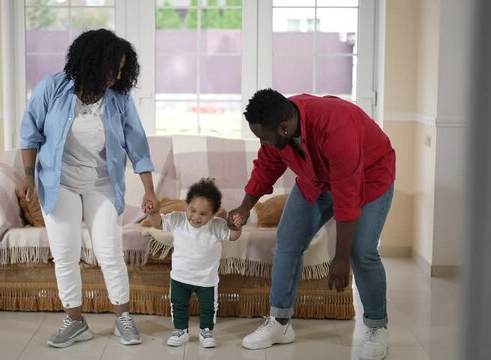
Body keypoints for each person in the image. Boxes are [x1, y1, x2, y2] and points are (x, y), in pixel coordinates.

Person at [228, 89, 395, 360]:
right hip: (316, 180)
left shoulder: (336, 128)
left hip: (368, 177)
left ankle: (377, 327)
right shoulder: (279, 123)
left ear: (283, 128)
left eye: (263, 137)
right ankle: (280, 323)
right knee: (288, 242)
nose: (262, 142)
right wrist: (245, 207)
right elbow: (266, 167)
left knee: (361, 252)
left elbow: (347, 198)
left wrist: (340, 258)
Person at [18, 29, 158, 348]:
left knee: (109, 252)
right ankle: (75, 321)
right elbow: (30, 134)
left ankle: (123, 318)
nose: (117, 76)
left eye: (122, 69)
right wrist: (28, 176)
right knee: (65, 254)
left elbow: (138, 146)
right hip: (60, 183)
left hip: (103, 184)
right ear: (92, 62)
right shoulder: (52, 88)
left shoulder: (119, 99)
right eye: (113, 68)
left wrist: (149, 189)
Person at [144, 178, 243, 348]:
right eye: (192, 210)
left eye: (204, 214)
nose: (196, 217)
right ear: (187, 205)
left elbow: (233, 237)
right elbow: (159, 224)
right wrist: (152, 213)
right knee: (178, 304)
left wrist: (238, 226)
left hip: (206, 280)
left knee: (208, 308)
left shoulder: (217, 226)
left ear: (214, 214)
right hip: (180, 278)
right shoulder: (177, 219)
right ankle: (180, 331)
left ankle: (206, 331)